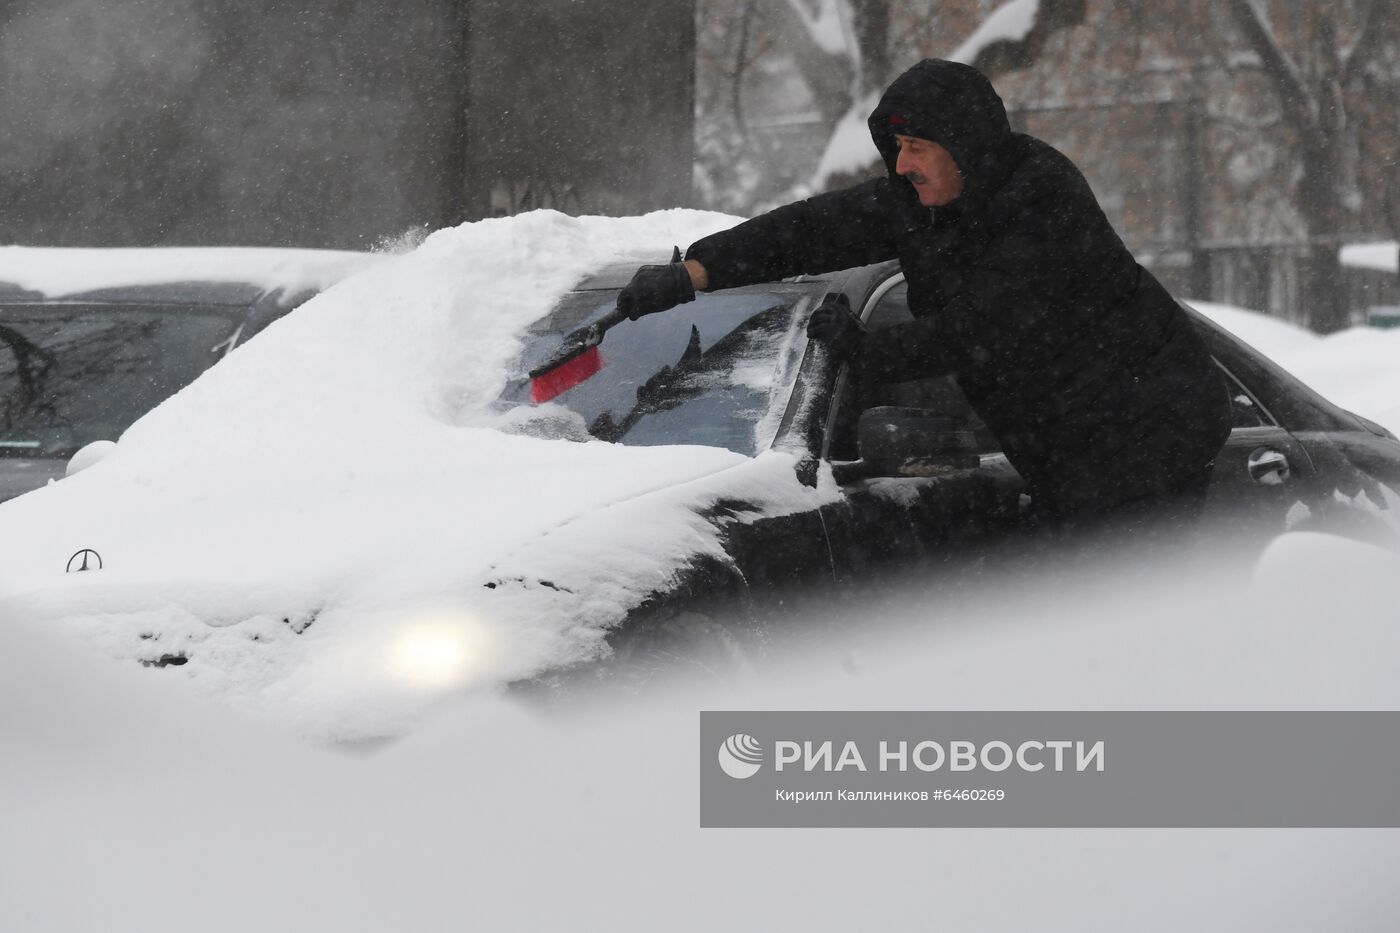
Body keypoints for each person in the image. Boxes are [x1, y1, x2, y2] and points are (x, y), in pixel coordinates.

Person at [616, 58, 1232, 535]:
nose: (903, 165)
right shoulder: (916, 200)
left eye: (919, 148)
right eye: (897, 148)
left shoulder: (1042, 201)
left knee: (1115, 620)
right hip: (1062, 445)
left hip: (1150, 435)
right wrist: (695, 271)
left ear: (966, 147)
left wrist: (864, 353)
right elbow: (810, 228)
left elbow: (987, 330)